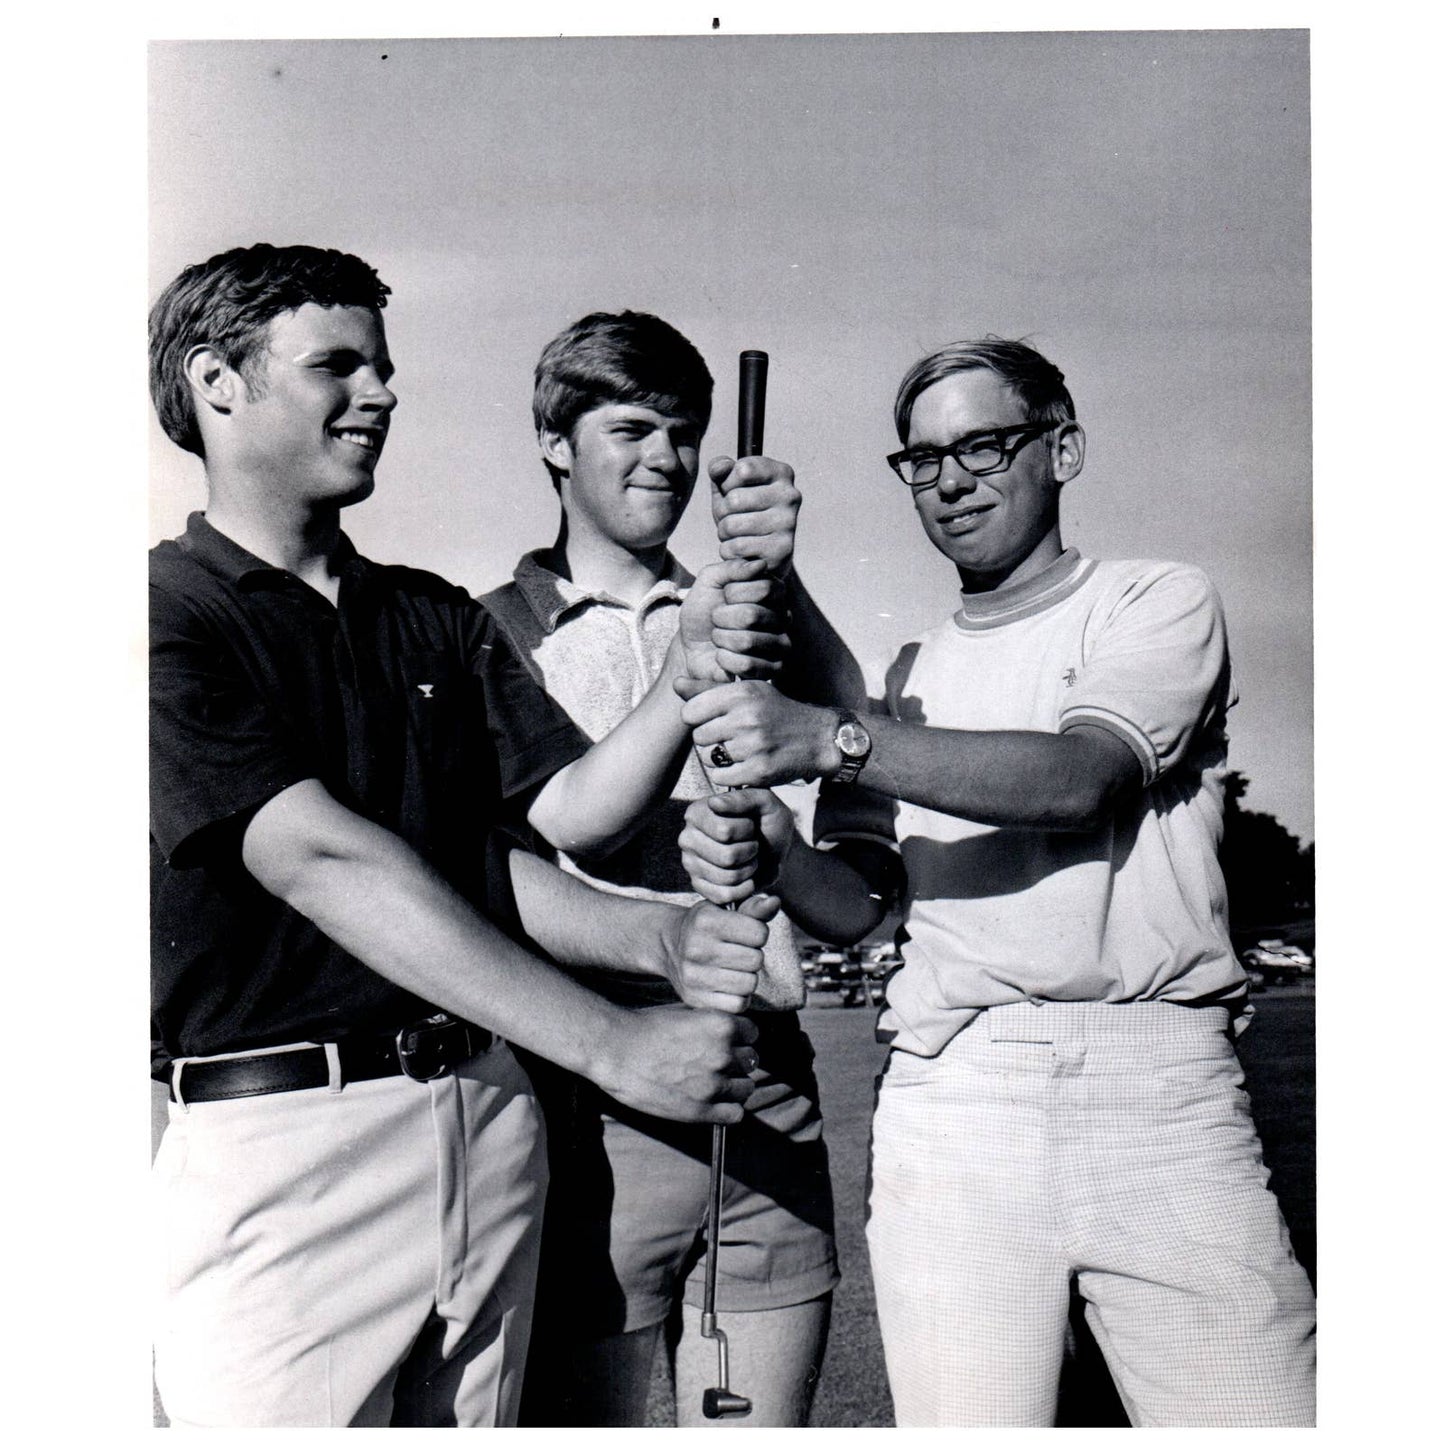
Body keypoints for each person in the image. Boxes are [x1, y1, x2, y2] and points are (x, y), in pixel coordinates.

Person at [148, 244, 773, 1428]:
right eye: (338, 365)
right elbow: (321, 860)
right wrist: (608, 1043)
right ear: (216, 382)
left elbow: (532, 837)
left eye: (383, 367)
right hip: (284, 1156)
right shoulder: (157, 613)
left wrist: (663, 936)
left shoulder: (427, 612)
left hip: (488, 1125)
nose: (381, 393)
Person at [675, 337, 1317, 1427]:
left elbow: (1078, 779)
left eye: (982, 444)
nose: (951, 479)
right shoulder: (910, 677)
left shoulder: (1151, 600)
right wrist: (778, 851)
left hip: (1156, 1087)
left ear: (1060, 447)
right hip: (951, 1095)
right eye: (921, 460)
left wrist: (826, 737)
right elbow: (866, 906)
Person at [478, 311, 892, 1427]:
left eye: (684, 431)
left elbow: (855, 720)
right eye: (630, 428)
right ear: (554, 441)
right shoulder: (487, 631)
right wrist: (688, 654)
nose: (664, 456)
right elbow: (564, 835)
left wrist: (772, 571)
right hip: (584, 1091)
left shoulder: (741, 604)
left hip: (766, 1083)